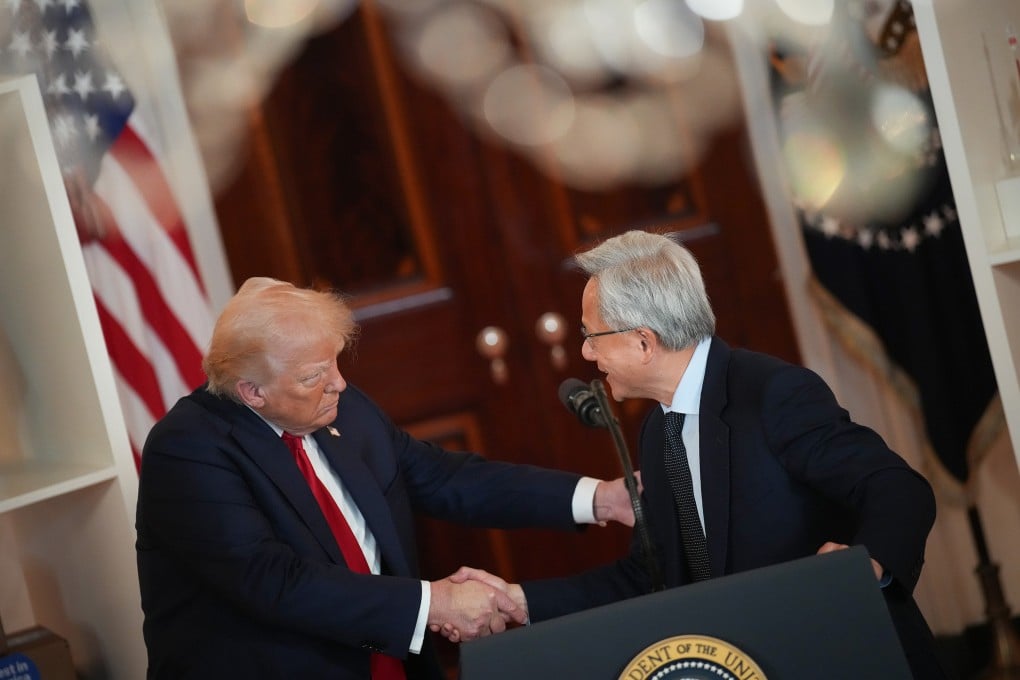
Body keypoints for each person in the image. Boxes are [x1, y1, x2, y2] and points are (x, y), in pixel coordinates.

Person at [450, 230, 950, 680]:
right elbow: (650, 572)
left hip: (846, 657)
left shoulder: (773, 395)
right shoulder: (657, 429)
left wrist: (867, 567)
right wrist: (519, 601)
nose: (585, 354)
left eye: (590, 336)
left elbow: (896, 488)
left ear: (644, 341)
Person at [135, 276, 634, 679]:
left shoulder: (343, 410)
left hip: (390, 659)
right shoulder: (189, 450)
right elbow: (273, 581)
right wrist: (433, 603)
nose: (339, 383)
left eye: (335, 362)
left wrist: (602, 499)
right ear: (252, 392)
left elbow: (441, 478)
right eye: (313, 375)